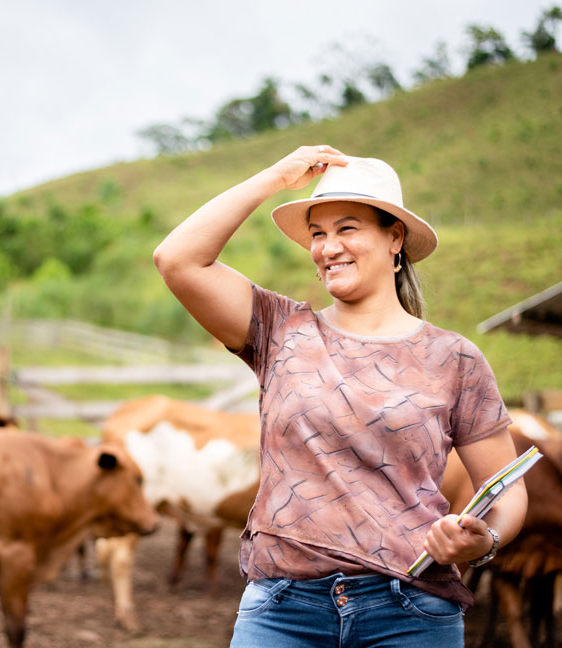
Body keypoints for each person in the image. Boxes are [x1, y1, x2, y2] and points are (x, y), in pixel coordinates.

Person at [153, 145, 528, 647]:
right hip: (282, 611)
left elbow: (506, 490)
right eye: (317, 233)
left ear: (395, 237)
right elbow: (177, 259)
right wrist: (276, 177)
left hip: (410, 611)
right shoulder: (278, 328)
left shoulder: (454, 358)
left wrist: (484, 541)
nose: (328, 248)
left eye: (347, 228)